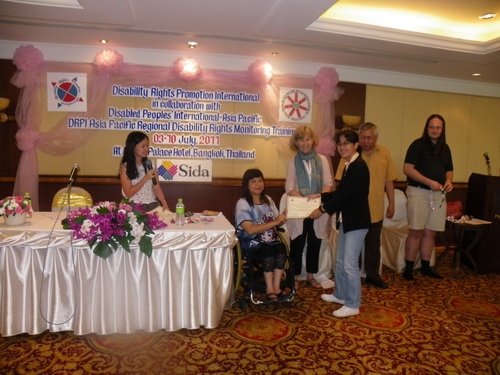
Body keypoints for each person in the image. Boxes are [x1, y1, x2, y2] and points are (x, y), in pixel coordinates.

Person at [310, 129, 370, 318]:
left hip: (357, 222)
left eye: (346, 143)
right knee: (341, 261)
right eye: (340, 143)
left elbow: (345, 196)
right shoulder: (348, 165)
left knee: (350, 264)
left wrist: (321, 209)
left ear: (355, 145)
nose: (342, 147)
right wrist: (321, 195)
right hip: (347, 220)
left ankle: (353, 304)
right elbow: (340, 192)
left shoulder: (358, 166)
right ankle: (341, 295)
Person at [335, 122, 398, 289]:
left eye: (369, 137)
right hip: (354, 210)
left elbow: (389, 180)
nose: (366, 141)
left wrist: (392, 203)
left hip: (375, 208)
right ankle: (354, 276)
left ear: (376, 138)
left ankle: (372, 275)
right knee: (353, 249)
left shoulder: (384, 153)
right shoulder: (350, 154)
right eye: (362, 137)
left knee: (372, 245)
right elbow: (340, 182)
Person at [402, 114, 453, 280]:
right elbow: (408, 169)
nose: (435, 130)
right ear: (427, 128)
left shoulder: (446, 148)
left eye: (438, 127)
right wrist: (429, 182)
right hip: (418, 192)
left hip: (438, 195)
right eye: (432, 127)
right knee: (416, 231)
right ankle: (408, 269)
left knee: (431, 233)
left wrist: (449, 181)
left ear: (443, 129)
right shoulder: (417, 145)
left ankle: (425, 267)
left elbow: (449, 171)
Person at [285, 126, 333, 289]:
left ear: (313, 140)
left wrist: (318, 197)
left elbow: (328, 184)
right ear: (296, 142)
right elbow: (289, 187)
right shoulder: (292, 162)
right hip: (299, 209)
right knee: (297, 243)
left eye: (307, 139)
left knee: (315, 242)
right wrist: (304, 200)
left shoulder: (322, 160)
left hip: (317, 209)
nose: (304, 143)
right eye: (300, 139)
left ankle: (311, 276)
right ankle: (295, 276)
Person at [235, 169, 289, 301]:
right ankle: (269, 289)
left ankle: (276, 287)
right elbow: (250, 230)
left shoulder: (268, 200)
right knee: (268, 250)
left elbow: (277, 224)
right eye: (253, 181)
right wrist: (274, 222)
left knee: (281, 249)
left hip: (271, 240)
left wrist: (282, 218)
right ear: (246, 185)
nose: (258, 184)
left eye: (260, 180)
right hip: (252, 244)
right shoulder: (243, 203)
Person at [119, 131, 169, 212]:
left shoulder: (150, 164)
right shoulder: (125, 167)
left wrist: (164, 202)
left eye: (147, 146)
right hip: (135, 207)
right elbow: (128, 193)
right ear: (133, 147)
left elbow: (156, 187)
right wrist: (145, 179)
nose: (147, 149)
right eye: (143, 146)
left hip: (153, 205)